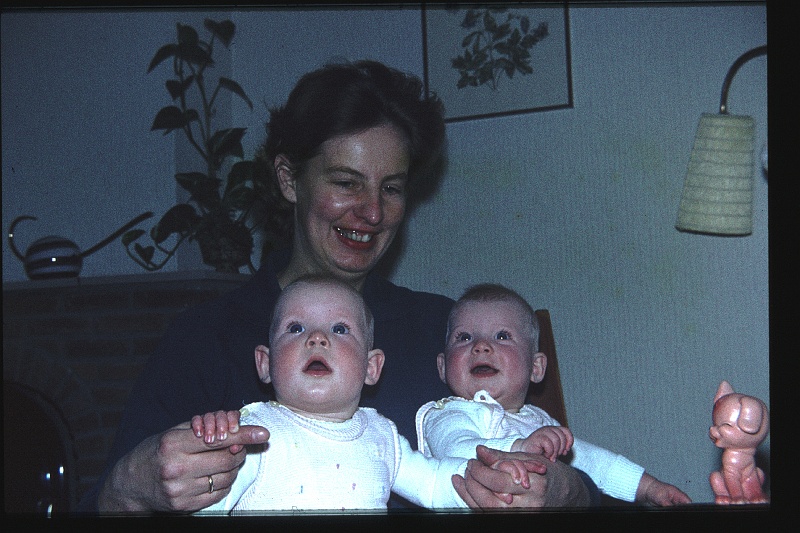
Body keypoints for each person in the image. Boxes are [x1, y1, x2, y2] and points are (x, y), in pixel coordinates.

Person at [80, 60, 594, 514]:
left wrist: (562, 490)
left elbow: (589, 485)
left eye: (391, 187)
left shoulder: (454, 332)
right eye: (346, 182)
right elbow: (108, 499)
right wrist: (133, 485)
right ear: (288, 179)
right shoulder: (204, 338)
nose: (372, 212)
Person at [191, 276, 549, 512]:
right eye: (296, 328)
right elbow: (210, 507)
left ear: (371, 367)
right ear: (265, 363)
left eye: (340, 329)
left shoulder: (383, 436)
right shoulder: (255, 432)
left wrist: (490, 475)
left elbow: (436, 483)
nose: (317, 338)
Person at [421, 283, 693, 506]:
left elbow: (593, 461)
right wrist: (520, 450)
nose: (481, 346)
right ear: (443, 367)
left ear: (536, 368)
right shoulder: (445, 413)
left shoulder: (540, 422)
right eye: (464, 337)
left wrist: (649, 488)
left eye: (502, 336)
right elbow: (454, 449)